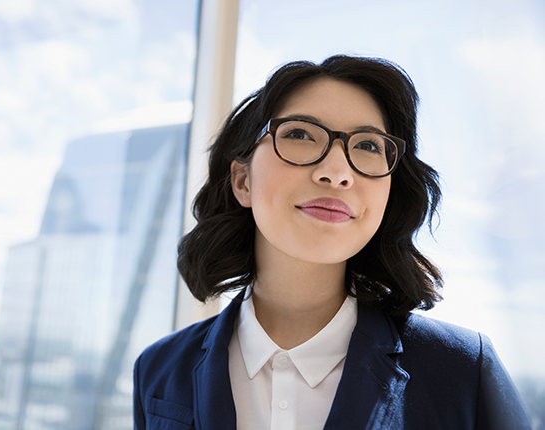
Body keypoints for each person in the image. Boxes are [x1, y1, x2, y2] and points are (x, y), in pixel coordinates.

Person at [133, 55, 531, 429]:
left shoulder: (462, 370)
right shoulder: (159, 370)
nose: (338, 172)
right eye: (301, 134)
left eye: (368, 145)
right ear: (243, 181)